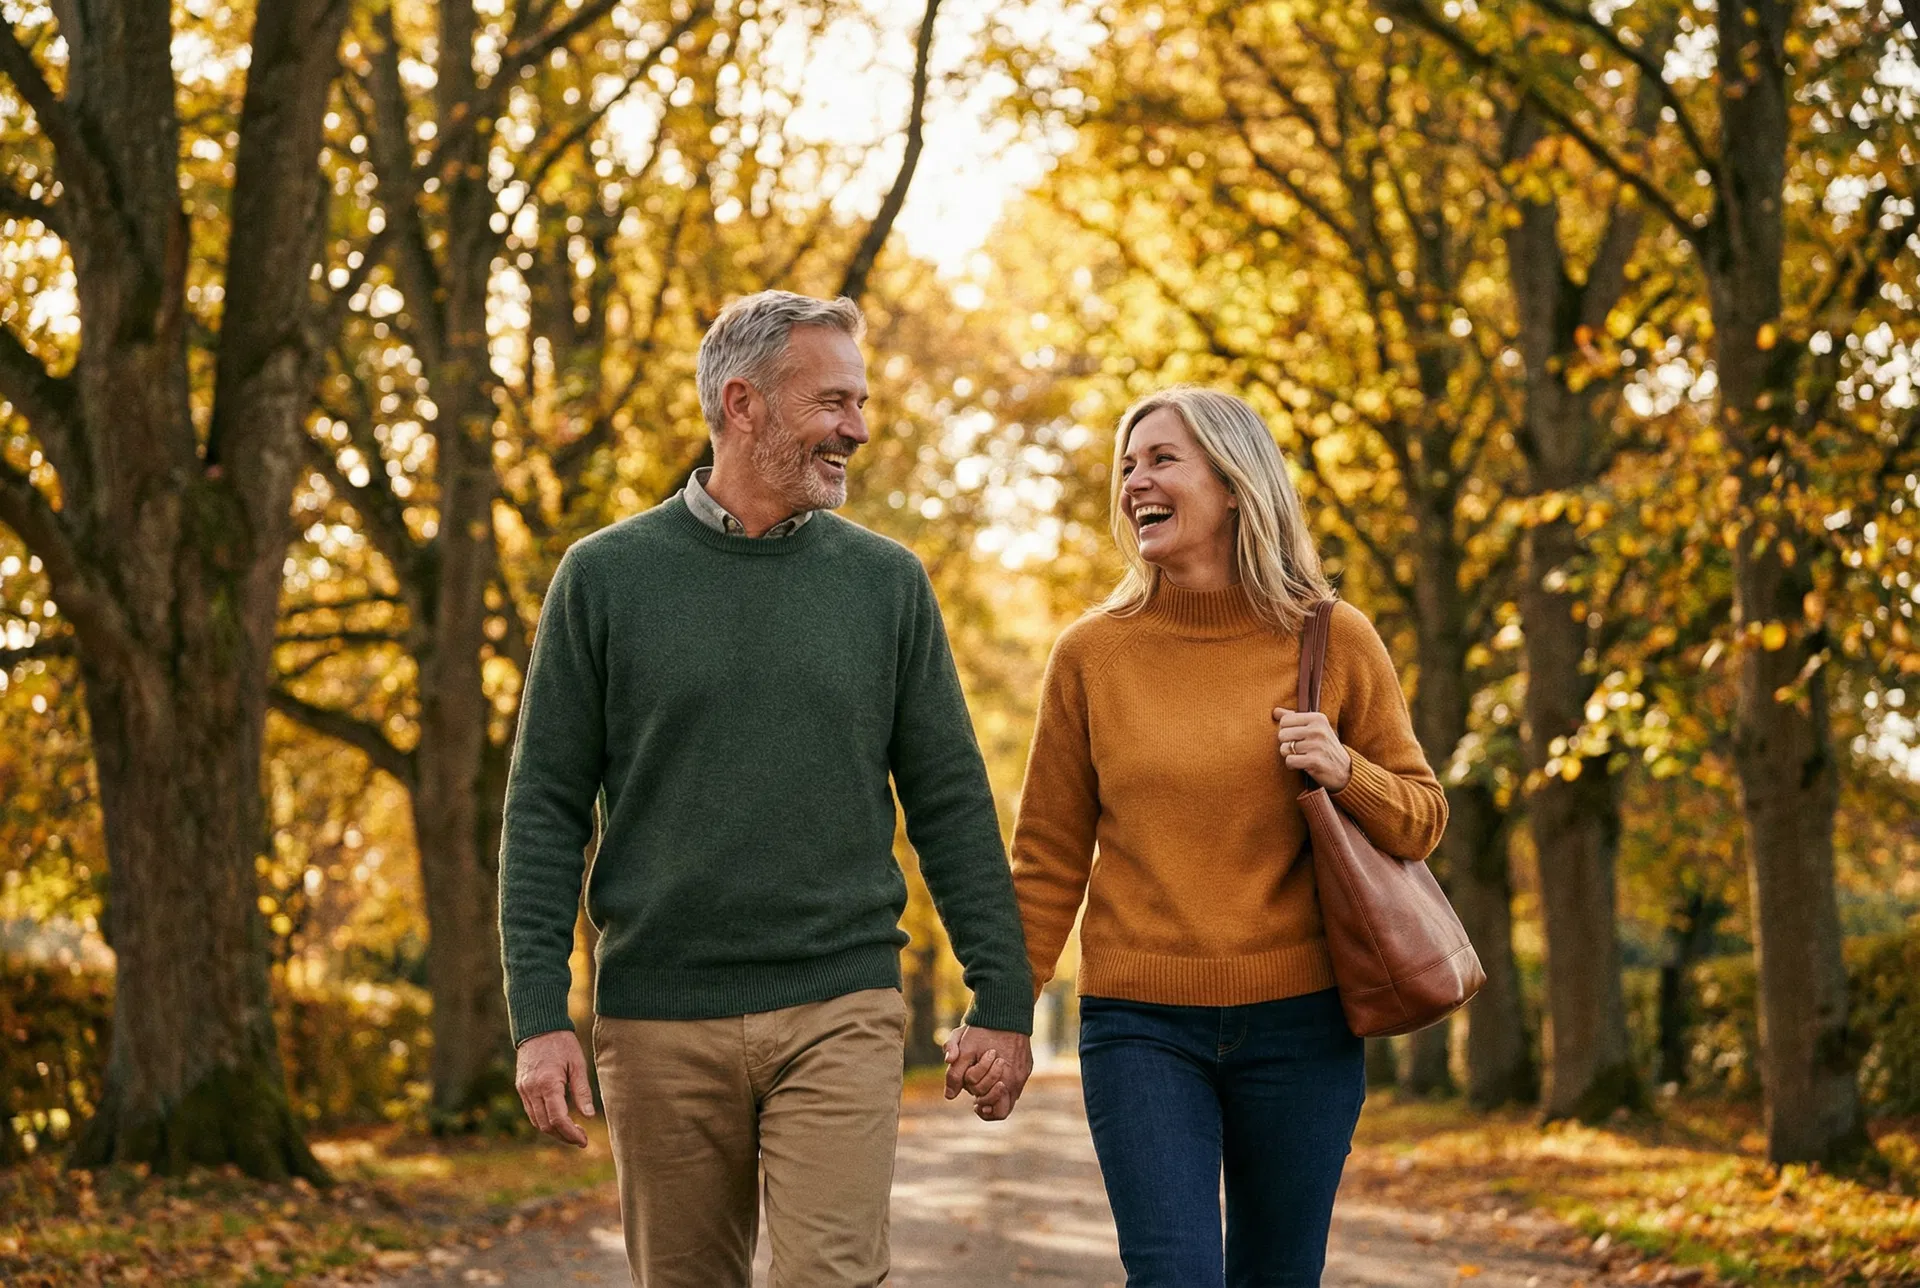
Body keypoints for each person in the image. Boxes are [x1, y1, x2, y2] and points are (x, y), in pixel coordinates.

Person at [498, 290, 1035, 1288]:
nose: (857, 429)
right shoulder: (604, 578)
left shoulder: (887, 584)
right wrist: (538, 1014)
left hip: (840, 998)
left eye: (860, 403)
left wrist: (1003, 992)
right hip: (659, 1013)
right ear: (741, 404)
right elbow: (543, 811)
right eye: (833, 402)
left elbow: (952, 801)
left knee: (834, 1275)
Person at [1009, 387, 1448, 1286]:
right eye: (1128, 465)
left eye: (1162, 459)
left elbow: (1422, 817)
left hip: (1303, 1025)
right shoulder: (1091, 654)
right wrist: (1006, 1006)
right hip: (1139, 1023)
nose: (1135, 482)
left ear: (1236, 486)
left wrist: (1345, 770)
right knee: (1173, 1274)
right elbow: (1048, 855)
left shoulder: (1334, 638)